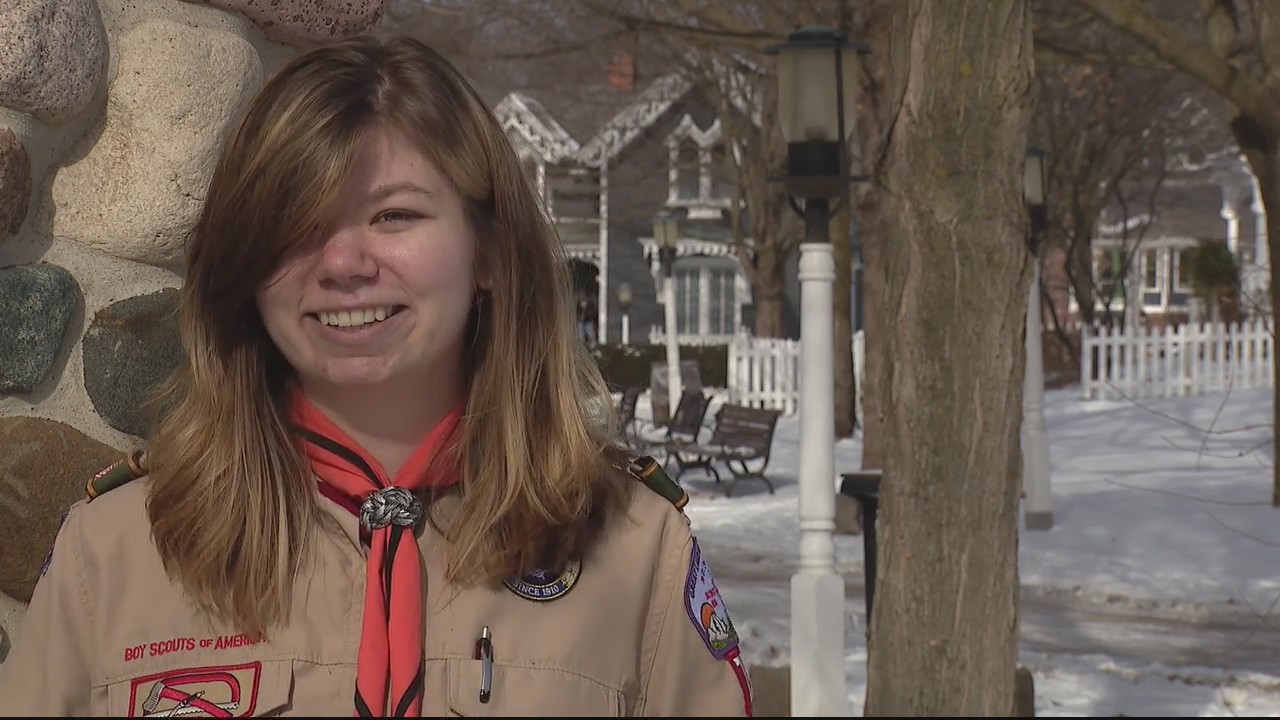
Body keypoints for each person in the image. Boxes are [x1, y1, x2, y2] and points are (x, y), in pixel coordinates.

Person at [0, 35, 753, 717]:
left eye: (394, 216)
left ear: (488, 252)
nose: (343, 264)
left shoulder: (633, 552)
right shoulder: (118, 552)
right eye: (296, 226)